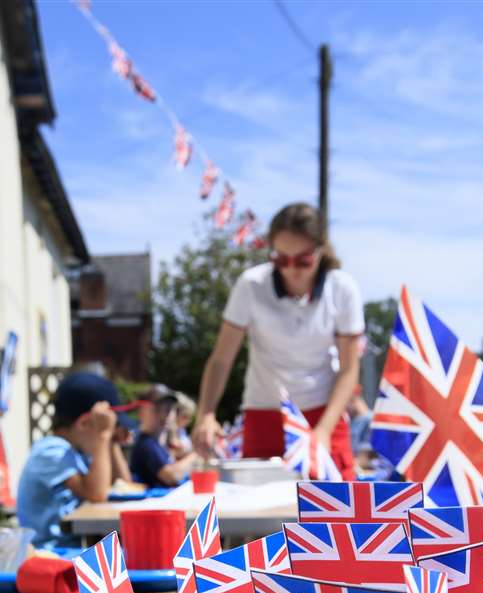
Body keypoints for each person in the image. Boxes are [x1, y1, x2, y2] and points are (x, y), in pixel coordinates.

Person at [191, 202, 365, 480]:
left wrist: (322, 431)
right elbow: (221, 360)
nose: (291, 269)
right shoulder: (251, 285)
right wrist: (206, 414)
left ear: (320, 251)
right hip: (264, 412)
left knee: (337, 511)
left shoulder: (342, 289)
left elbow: (348, 370)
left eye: (303, 260)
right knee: (259, 508)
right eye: (281, 259)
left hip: (323, 413)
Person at [16, 370, 132, 546]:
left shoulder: (74, 452)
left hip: (71, 548)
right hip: (50, 552)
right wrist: (103, 435)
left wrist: (112, 442)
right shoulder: (51, 451)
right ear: (84, 423)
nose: (111, 431)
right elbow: (97, 494)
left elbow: (124, 484)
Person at [128, 384, 198, 488]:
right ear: (143, 412)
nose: (167, 414)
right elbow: (171, 476)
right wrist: (197, 454)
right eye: (158, 409)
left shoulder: (158, 443)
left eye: (170, 408)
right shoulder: (147, 444)